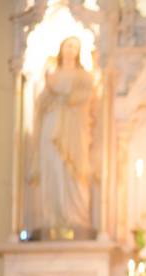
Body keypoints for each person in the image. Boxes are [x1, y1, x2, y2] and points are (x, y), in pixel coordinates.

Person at [29, 36, 94, 238]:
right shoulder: (51, 75)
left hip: (74, 131)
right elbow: (40, 103)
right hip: (52, 126)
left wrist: (65, 96)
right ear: (61, 49)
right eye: (67, 45)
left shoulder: (83, 76)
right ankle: (51, 218)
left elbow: (87, 99)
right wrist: (50, 93)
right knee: (53, 168)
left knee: (72, 171)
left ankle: (74, 217)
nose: (70, 50)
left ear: (79, 51)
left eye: (75, 46)